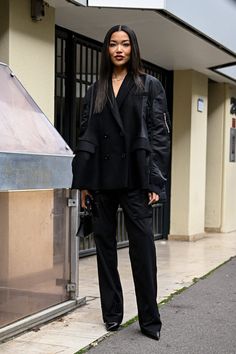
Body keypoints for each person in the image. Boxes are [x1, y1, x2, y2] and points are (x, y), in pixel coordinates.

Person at [72, 24, 171, 341]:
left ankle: (149, 320)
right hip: (102, 179)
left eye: (125, 44)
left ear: (133, 48)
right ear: (106, 49)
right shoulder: (95, 89)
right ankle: (112, 315)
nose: (118, 49)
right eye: (113, 44)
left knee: (143, 251)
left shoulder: (149, 85)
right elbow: (86, 135)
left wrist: (155, 182)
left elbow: (159, 136)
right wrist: (85, 182)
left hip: (135, 179)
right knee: (105, 250)